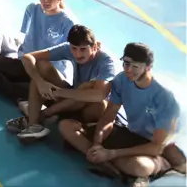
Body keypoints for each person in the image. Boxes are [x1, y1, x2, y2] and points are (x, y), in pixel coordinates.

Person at [56, 43, 184, 184]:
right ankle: (103, 161)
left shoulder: (164, 98)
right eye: (126, 63)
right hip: (129, 133)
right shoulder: (122, 80)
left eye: (135, 66)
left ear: (148, 67)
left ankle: (162, 165)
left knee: (138, 166)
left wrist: (112, 153)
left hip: (150, 145)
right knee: (66, 126)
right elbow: (108, 117)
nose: (128, 70)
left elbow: (156, 146)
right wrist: (97, 144)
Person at [0, 0, 77, 102]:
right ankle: (18, 93)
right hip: (25, 64)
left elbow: (69, 52)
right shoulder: (32, 9)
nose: (45, 0)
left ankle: (8, 87)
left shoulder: (68, 22)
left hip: (46, 70)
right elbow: (23, 36)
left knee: (46, 90)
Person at [10, 25, 118, 142]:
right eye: (74, 48)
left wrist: (59, 92)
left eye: (83, 49)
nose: (77, 54)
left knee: (90, 88)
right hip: (71, 98)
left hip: (91, 109)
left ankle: (42, 115)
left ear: (94, 47)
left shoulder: (106, 62)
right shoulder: (68, 48)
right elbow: (28, 57)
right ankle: (33, 125)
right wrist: (40, 82)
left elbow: (100, 95)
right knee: (42, 66)